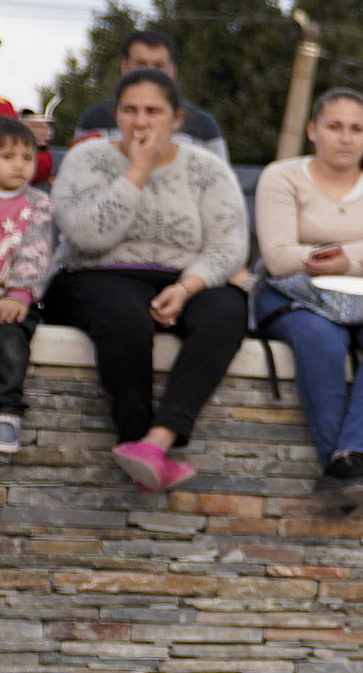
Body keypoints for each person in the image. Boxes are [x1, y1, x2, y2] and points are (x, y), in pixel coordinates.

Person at [43, 66, 250, 491]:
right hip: (95, 273)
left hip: (181, 277)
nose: (140, 121)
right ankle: (134, 438)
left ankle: (159, 441)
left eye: (153, 111)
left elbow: (229, 247)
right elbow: (86, 236)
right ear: (115, 114)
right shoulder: (88, 158)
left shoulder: (207, 170)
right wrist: (136, 172)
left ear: (176, 119)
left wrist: (186, 286)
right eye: (129, 110)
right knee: (125, 317)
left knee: (227, 309)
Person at [253, 88, 363, 513]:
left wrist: (326, 255)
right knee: (321, 337)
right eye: (334, 126)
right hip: (294, 300)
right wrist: (361, 252)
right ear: (313, 131)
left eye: (356, 129)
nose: (345, 137)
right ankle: (353, 462)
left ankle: (345, 461)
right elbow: (279, 258)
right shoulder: (282, 176)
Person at [73, 30, 227, 163]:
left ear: (173, 70)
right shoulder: (94, 119)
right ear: (124, 67)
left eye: (159, 66)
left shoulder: (203, 125)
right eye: (140, 64)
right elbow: (78, 176)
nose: (149, 73)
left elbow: (220, 184)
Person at [0, 117, 55, 453]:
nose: (19, 165)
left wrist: (19, 295)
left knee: (10, 339)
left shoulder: (37, 204)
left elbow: (36, 253)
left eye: (26, 157)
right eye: (7, 157)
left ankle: (6, 413)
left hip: (17, 299)